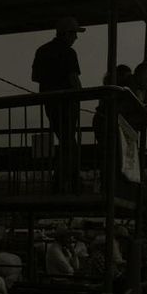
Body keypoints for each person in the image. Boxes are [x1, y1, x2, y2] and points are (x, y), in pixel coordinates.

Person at [31, 16, 85, 192]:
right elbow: (73, 79)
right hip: (68, 104)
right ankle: (66, 180)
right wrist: (81, 94)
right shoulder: (69, 53)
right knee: (69, 142)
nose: (76, 38)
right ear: (67, 34)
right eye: (74, 34)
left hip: (50, 104)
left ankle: (65, 180)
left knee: (66, 141)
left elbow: (37, 78)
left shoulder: (42, 51)